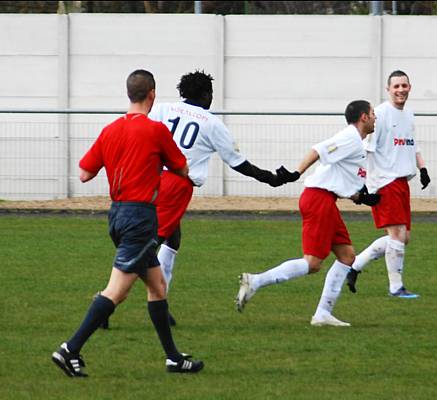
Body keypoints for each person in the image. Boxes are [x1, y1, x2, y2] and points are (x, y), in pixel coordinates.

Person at [100, 69, 286, 329]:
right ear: (207, 95)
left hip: (152, 178)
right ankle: (106, 303)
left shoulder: (164, 109)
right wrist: (270, 178)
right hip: (176, 185)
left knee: (172, 239)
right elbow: (238, 162)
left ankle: (160, 304)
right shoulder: (211, 122)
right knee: (146, 247)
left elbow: (136, 126)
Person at [51, 69, 203, 377]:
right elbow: (182, 167)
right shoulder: (156, 130)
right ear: (152, 95)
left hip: (117, 214)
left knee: (158, 286)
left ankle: (174, 358)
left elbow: (83, 173)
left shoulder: (110, 130)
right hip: (140, 218)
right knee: (117, 291)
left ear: (129, 94)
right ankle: (70, 349)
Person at [235, 100, 380, 327]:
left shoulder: (356, 145)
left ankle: (322, 314)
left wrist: (362, 198)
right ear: (363, 117)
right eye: (373, 114)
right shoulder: (350, 137)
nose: (375, 118)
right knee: (312, 263)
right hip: (318, 199)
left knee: (347, 256)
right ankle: (255, 281)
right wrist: (295, 172)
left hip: (325, 200)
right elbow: (318, 150)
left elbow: (338, 178)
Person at [345, 70, 430, 298]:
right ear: (388, 89)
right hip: (384, 182)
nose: (400, 90)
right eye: (396, 87)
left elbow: (413, 145)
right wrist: (361, 184)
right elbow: (365, 150)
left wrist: (423, 168)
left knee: (403, 238)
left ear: (409, 87)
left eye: (404, 86)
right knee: (397, 236)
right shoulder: (380, 115)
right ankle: (396, 287)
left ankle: (354, 266)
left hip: (402, 181)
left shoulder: (409, 114)